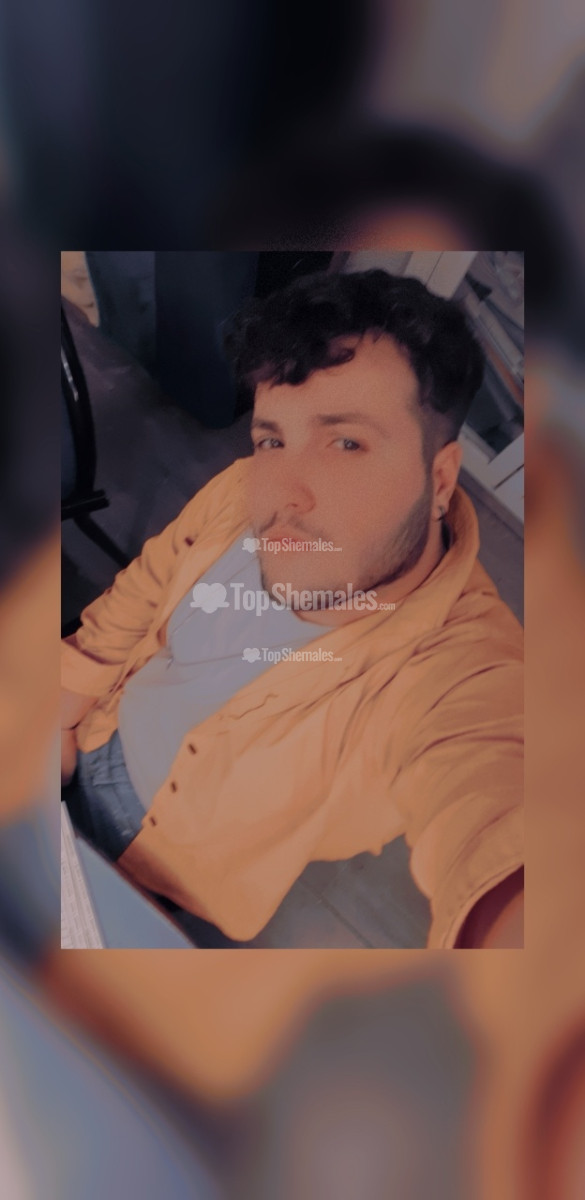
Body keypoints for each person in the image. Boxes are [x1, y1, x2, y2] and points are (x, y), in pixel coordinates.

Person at [61, 269, 523, 948]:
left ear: (440, 479)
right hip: (90, 738)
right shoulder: (241, 490)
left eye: (346, 442)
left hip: (172, 876)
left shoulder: (458, 671)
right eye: (273, 439)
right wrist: (60, 709)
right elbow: (144, 588)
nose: (283, 493)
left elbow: (493, 809)